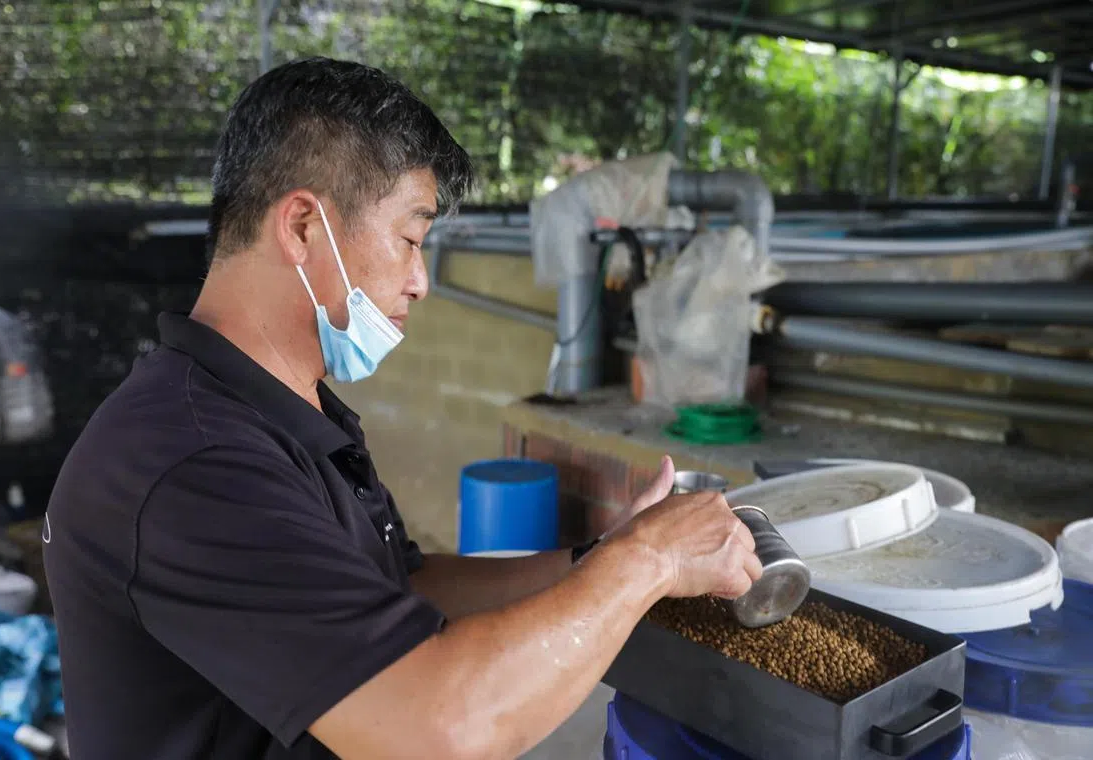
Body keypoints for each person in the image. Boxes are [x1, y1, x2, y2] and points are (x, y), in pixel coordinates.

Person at [42, 57, 763, 760]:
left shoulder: (285, 414)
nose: (420, 280)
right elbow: (438, 731)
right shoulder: (190, 462)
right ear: (300, 228)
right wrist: (646, 563)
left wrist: (598, 559)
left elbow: (402, 587)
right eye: (411, 238)